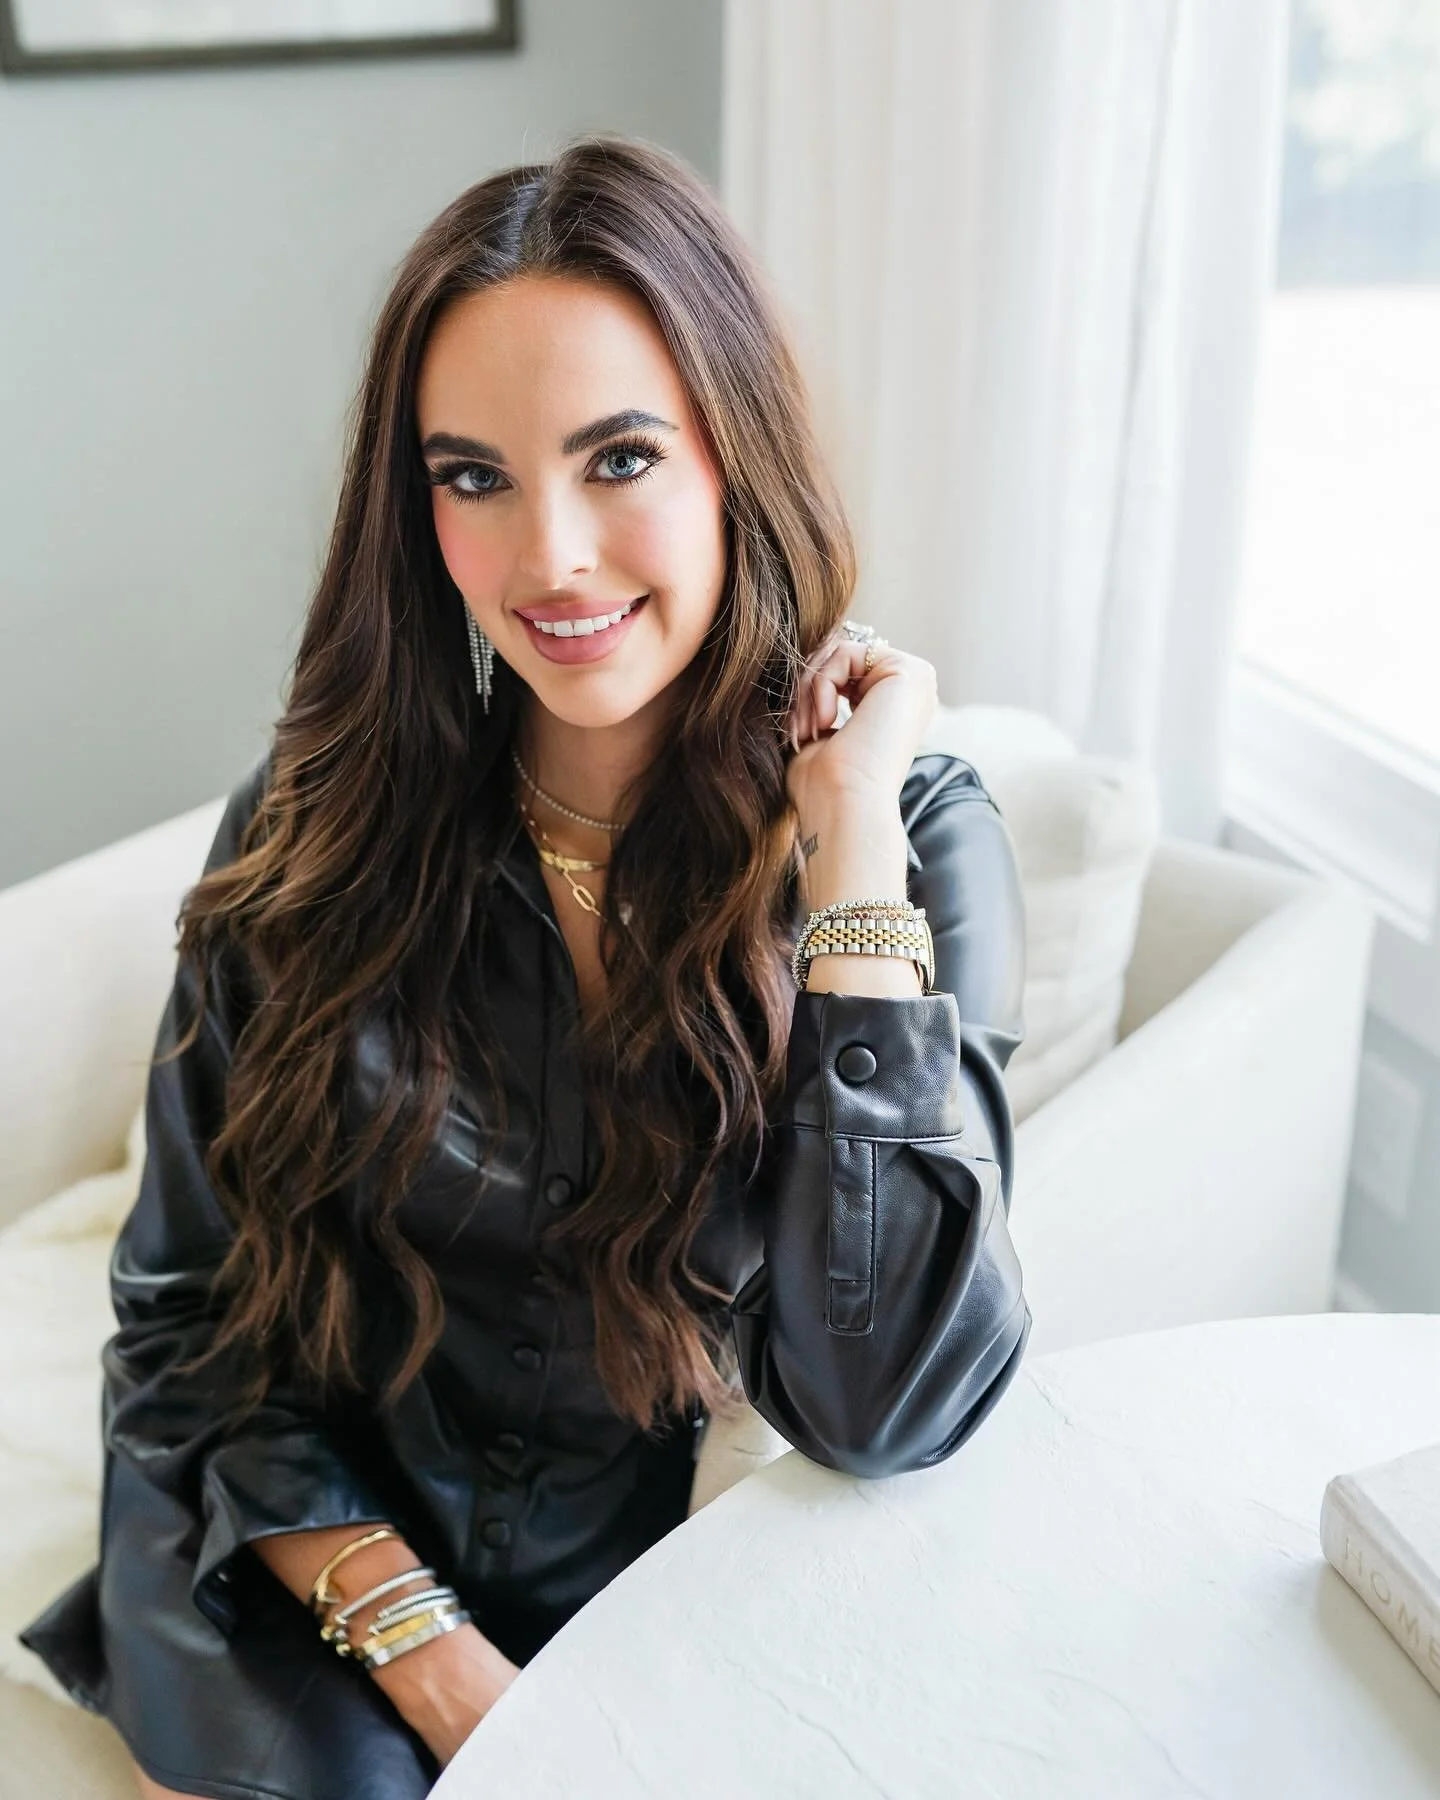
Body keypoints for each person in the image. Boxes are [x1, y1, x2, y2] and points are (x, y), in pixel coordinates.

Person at [19, 132, 1032, 1799]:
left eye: (618, 456)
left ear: (733, 457)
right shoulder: (316, 820)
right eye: (472, 475)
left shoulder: (905, 848)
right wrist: (435, 1665)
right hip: (291, 1535)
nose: (549, 554)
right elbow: (186, 1320)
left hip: (608, 1588)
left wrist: (847, 850)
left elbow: (890, 1399)